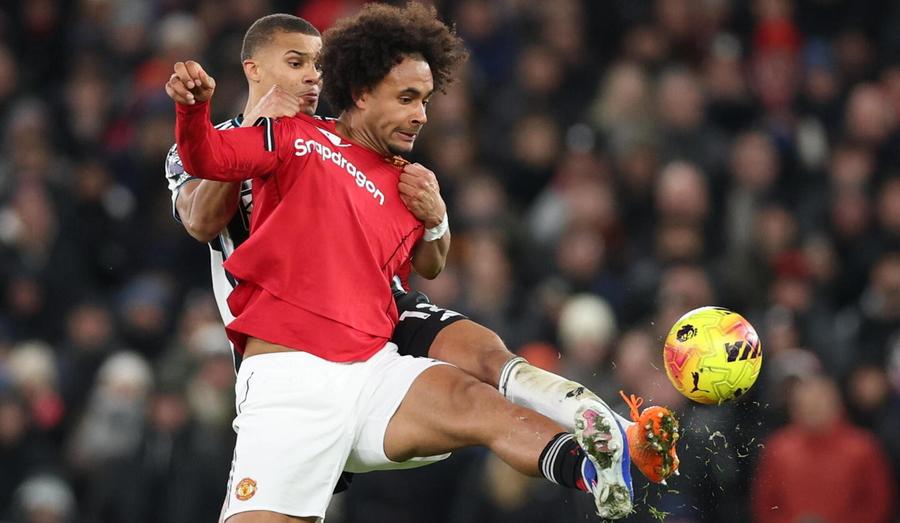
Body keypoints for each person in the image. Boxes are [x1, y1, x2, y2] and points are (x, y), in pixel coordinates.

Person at [167, 5, 657, 522]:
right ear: (253, 68)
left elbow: (429, 262)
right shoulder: (278, 137)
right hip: (289, 370)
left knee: (472, 395)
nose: (312, 77)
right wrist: (215, 116)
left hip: (371, 356)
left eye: (318, 65)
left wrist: (438, 219)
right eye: (296, 63)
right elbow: (201, 213)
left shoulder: (378, 158)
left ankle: (598, 462)